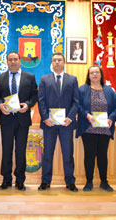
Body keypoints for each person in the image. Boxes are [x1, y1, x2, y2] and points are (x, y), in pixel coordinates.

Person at [0, 51, 38, 191]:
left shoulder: (30, 77)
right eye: (10, 59)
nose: (13, 62)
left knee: (20, 151)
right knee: (6, 150)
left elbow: (34, 96)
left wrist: (28, 105)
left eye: (15, 59)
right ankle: (6, 180)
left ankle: (20, 180)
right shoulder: (0, 77)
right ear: (7, 62)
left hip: (22, 119)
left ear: (20, 61)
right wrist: (0, 105)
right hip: (6, 119)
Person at [37, 53, 79, 192]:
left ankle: (70, 182)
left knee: (68, 154)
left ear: (64, 62)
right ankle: (45, 181)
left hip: (66, 124)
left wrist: (70, 117)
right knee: (48, 153)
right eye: (54, 60)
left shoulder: (72, 79)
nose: (57, 62)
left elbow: (76, 101)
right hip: (49, 124)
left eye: (59, 60)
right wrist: (45, 117)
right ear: (52, 63)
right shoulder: (44, 79)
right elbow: (41, 100)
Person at [76, 65, 116, 192]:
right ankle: (89, 182)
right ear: (88, 76)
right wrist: (86, 115)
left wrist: (111, 118)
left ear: (101, 75)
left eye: (97, 72)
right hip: (88, 127)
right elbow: (77, 105)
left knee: (102, 155)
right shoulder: (82, 90)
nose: (94, 74)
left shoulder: (109, 90)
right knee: (89, 155)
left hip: (104, 128)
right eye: (92, 73)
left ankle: (104, 181)